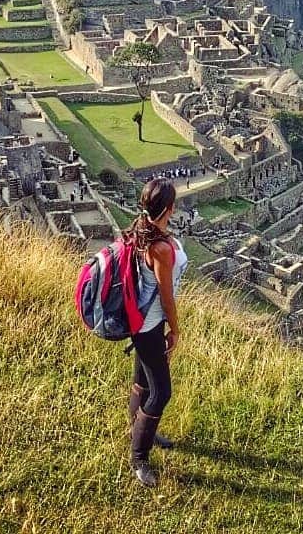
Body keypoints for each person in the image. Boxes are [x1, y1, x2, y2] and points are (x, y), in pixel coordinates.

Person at [124, 178, 188, 488]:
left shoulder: (143, 228)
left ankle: (139, 426)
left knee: (141, 381)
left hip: (141, 321)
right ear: (171, 208)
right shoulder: (160, 248)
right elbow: (166, 296)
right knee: (161, 392)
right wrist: (175, 329)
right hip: (150, 325)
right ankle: (139, 457)